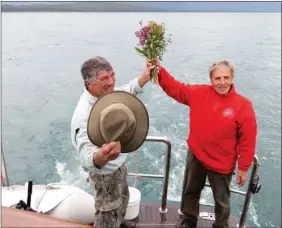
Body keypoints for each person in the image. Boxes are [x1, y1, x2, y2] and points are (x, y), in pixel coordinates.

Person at [147, 59, 257, 228]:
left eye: (226, 78)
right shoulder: (199, 93)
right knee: (190, 192)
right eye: (217, 78)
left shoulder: (243, 105)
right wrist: (159, 70)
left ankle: (221, 226)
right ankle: (188, 221)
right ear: (211, 79)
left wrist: (243, 168)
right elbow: (177, 88)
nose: (222, 82)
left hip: (222, 164)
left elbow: (248, 139)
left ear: (232, 78)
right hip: (196, 156)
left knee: (222, 200)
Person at [71, 56, 154, 228]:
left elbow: (124, 91)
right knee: (107, 211)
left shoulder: (106, 95)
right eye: (104, 79)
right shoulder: (82, 116)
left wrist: (143, 78)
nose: (111, 82)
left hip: (118, 166)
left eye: (112, 75)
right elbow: (87, 159)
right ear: (89, 83)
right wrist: (102, 156)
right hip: (104, 174)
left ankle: (120, 221)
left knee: (123, 198)